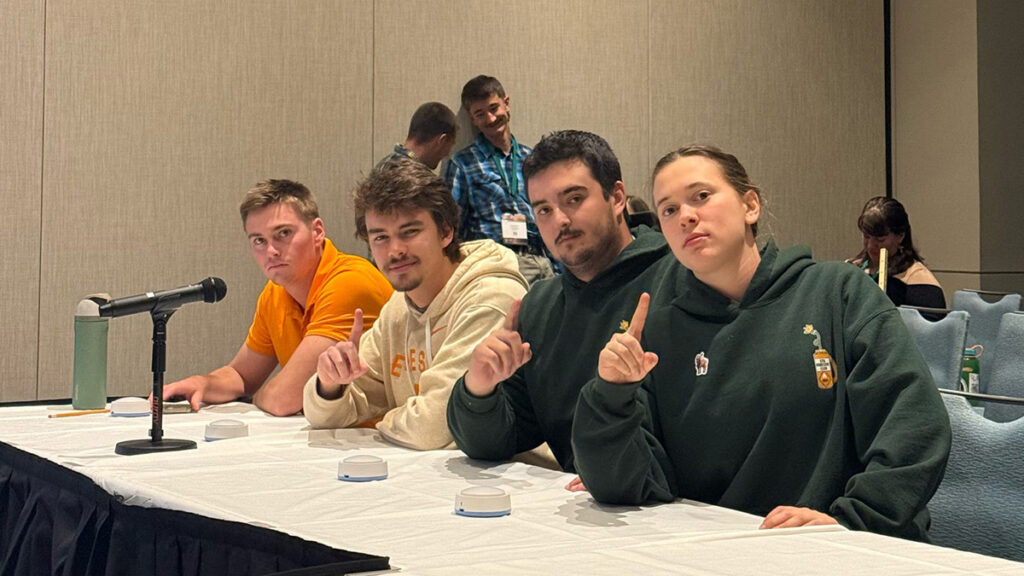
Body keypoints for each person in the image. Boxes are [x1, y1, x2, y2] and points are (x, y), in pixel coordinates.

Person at [572, 145, 951, 541]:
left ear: (750, 205)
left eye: (701, 196)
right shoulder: (655, 332)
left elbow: (915, 426)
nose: (686, 216)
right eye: (668, 209)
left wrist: (854, 521)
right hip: (714, 550)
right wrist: (611, 393)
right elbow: (623, 485)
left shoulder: (837, 293)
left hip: (837, 548)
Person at [447, 130, 680, 477]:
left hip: (678, 507)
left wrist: (613, 472)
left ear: (617, 198)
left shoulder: (680, 279)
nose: (560, 220)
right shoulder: (539, 306)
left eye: (573, 199)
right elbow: (498, 440)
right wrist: (479, 389)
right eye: (543, 209)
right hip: (586, 509)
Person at [303, 158, 528, 450]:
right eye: (381, 237)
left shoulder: (492, 297)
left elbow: (432, 428)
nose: (395, 250)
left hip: (508, 482)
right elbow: (324, 417)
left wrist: (383, 421)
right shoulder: (399, 306)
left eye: (410, 232)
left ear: (446, 232)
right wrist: (330, 384)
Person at [162, 180, 393, 416]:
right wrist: (202, 383)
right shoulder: (274, 293)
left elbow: (283, 400)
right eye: (259, 241)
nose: (271, 251)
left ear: (317, 232)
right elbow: (242, 375)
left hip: (379, 443)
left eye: (283, 234)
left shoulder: (350, 282)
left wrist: (257, 397)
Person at [443, 75, 555, 284]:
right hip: (498, 265)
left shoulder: (532, 158)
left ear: (507, 103)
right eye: (480, 114)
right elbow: (452, 228)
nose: (491, 119)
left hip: (543, 261)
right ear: (472, 119)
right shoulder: (462, 164)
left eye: (494, 108)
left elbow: (549, 212)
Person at [847, 196, 945, 309]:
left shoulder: (920, 283)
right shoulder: (852, 269)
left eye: (880, 239)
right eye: (866, 236)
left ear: (900, 236)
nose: (870, 245)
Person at [376, 102, 458, 171]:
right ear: (441, 141)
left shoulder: (382, 166)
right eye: (450, 146)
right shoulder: (419, 181)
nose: (447, 155)